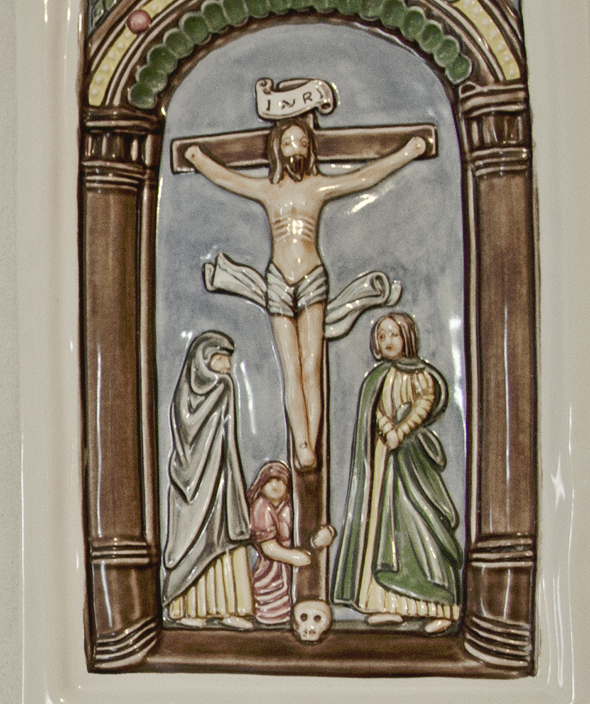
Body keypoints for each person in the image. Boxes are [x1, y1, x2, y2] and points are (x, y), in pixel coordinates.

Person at [179, 80, 428, 491]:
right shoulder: (268, 191)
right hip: (279, 280)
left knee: (311, 364)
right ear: (278, 150)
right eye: (288, 142)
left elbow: (365, 177)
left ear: (309, 150)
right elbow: (229, 180)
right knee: (290, 367)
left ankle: (311, 437)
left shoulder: (317, 187)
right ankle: (302, 441)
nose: (295, 148)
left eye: (301, 142)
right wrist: (199, 160)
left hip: (311, 278)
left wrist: (407, 153)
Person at [332, 311, 463, 630]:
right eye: (381, 336)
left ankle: (439, 607)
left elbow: (424, 404)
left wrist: (401, 431)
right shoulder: (377, 378)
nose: (387, 341)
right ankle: (388, 603)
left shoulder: (422, 375)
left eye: (393, 334)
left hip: (411, 461)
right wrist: (387, 428)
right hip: (383, 462)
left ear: (407, 337)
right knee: (382, 527)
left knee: (419, 520)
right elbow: (375, 411)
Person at [161, 332, 253, 625]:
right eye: (221, 358)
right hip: (193, 482)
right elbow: (188, 427)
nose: (228, 365)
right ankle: (184, 607)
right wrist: (219, 391)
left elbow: (227, 434)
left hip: (221, 477)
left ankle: (228, 608)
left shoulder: (225, 386)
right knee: (192, 539)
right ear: (203, 360)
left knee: (222, 538)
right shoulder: (190, 393)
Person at [243, 461, 330, 632]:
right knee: (271, 611)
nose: (275, 485)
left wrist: (327, 532)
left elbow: (307, 526)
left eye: (280, 480)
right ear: (261, 484)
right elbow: (269, 548)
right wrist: (293, 557)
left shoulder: (291, 504)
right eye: (270, 481)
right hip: (272, 567)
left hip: (292, 571)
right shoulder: (261, 506)